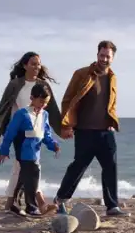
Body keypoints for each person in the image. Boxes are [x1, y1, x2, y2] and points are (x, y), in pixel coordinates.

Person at [53, 40, 128, 217]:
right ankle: (61, 199)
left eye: (108, 56)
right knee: (79, 166)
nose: (104, 59)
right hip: (84, 130)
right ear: (97, 55)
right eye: (102, 55)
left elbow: (112, 103)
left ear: (113, 58)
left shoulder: (112, 77)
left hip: (105, 131)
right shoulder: (81, 74)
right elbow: (67, 99)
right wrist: (67, 125)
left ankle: (112, 206)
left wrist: (111, 119)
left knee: (111, 167)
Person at [0, 52, 63, 215]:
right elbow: (3, 108)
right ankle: (37, 204)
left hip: (36, 132)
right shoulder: (15, 84)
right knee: (28, 167)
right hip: (19, 133)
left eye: (38, 64)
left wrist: (61, 131)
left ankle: (11, 204)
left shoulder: (43, 86)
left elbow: (53, 111)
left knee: (25, 168)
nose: (37, 67)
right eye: (33, 64)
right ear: (24, 65)